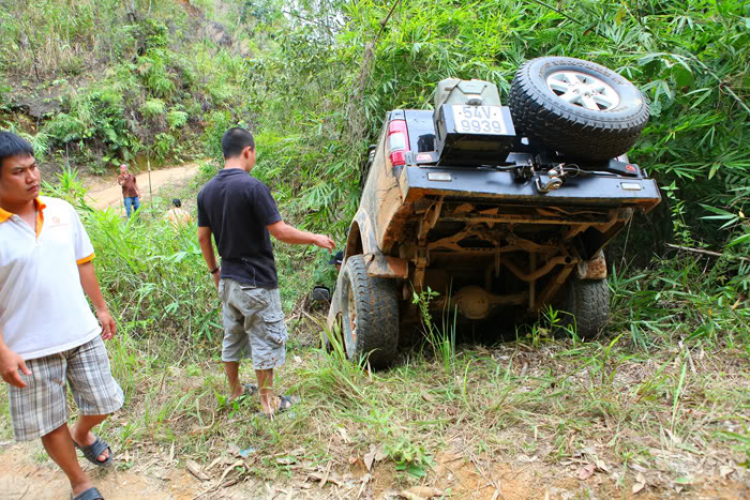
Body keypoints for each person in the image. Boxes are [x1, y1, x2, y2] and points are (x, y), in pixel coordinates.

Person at [0, 131, 123, 500]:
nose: (32, 177)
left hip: (81, 332)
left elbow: (83, 263)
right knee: (49, 420)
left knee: (105, 401)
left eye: (34, 167)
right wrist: (3, 350)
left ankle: (82, 433)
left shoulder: (61, 211)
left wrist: (100, 308)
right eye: (19, 171)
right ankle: (79, 482)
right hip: (28, 347)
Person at [197, 127, 335, 417]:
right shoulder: (253, 188)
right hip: (257, 282)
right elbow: (280, 232)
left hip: (229, 281)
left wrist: (214, 271)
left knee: (232, 336)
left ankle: (234, 391)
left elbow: (202, 237)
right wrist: (315, 238)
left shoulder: (206, 191)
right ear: (248, 151)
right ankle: (268, 403)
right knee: (265, 338)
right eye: (254, 153)